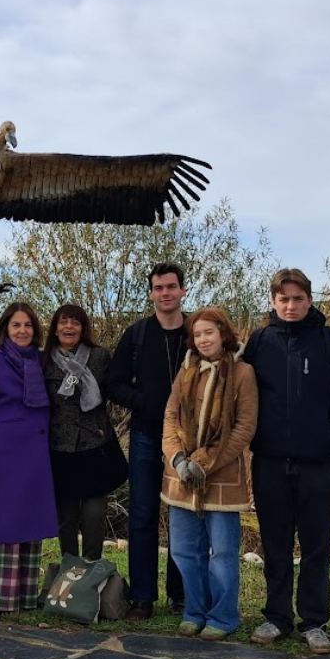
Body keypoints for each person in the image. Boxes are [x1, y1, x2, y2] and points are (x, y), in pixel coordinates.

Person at [243, 268, 330, 655]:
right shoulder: (260, 342)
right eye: (284, 299)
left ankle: (314, 621)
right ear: (273, 302)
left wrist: (329, 435)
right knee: (275, 543)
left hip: (317, 462)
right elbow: (242, 394)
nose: (291, 305)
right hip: (269, 460)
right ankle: (277, 616)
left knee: (316, 545)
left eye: (298, 299)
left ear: (309, 300)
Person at [161, 308, 258, 640]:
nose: (203, 340)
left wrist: (205, 462)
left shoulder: (243, 373)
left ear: (223, 333)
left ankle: (223, 616)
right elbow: (171, 419)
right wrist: (178, 459)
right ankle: (194, 611)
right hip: (181, 476)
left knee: (223, 552)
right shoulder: (186, 372)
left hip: (221, 475)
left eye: (209, 333)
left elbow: (243, 428)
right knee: (185, 551)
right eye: (197, 334)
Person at [105, 263, 190, 620]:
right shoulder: (137, 334)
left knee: (183, 517)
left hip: (190, 440)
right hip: (145, 435)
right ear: (151, 293)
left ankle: (181, 595)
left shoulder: (198, 332)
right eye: (158, 287)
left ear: (183, 290)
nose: (165, 293)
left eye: (171, 286)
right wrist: (142, 401)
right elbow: (114, 383)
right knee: (142, 515)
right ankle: (142, 597)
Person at [0, 302, 59, 620]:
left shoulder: (42, 360)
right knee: (2, 526)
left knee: (29, 525)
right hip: (2, 457)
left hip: (34, 456)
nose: (23, 331)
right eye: (16, 325)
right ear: (5, 329)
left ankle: (22, 594)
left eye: (28, 326)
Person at [42, 304, 125, 560]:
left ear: (83, 328)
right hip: (59, 447)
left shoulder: (100, 358)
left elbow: (115, 390)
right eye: (64, 322)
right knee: (66, 520)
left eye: (75, 323)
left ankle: (91, 571)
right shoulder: (43, 360)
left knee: (94, 516)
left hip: (93, 445)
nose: (69, 327)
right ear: (55, 329)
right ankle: (69, 572)